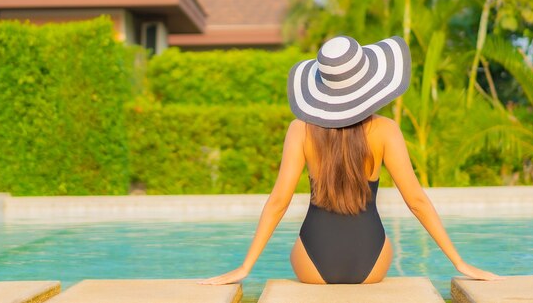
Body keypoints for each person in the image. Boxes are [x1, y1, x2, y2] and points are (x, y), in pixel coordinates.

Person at [198, 35, 502, 285]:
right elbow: (416, 201)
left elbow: (279, 201)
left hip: (312, 264)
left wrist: (245, 267)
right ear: (368, 82)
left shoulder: (300, 130)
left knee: (293, 251)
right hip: (371, 263)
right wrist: (459, 262)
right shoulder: (385, 130)